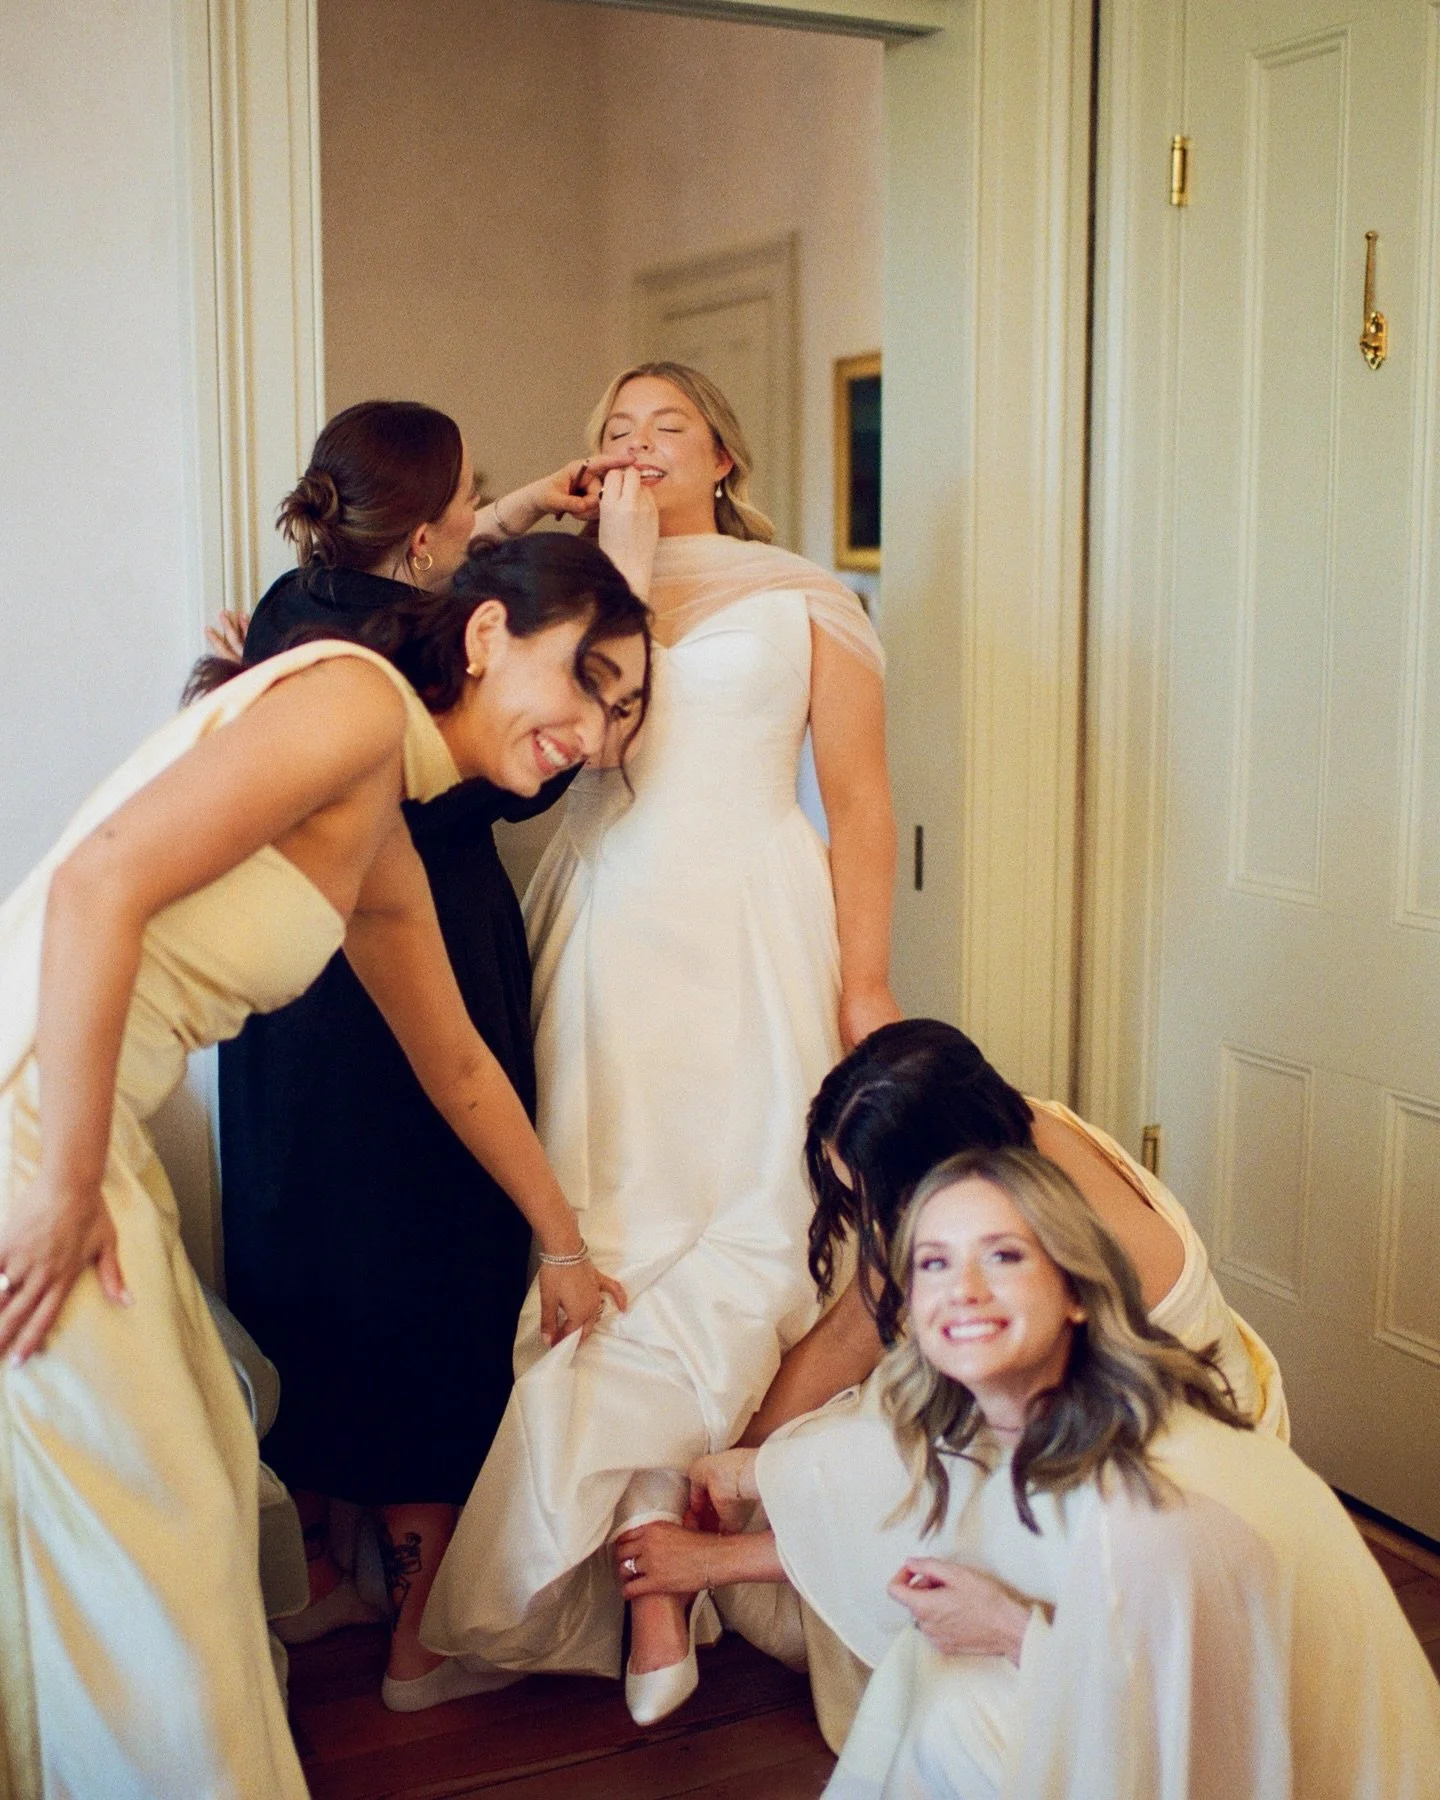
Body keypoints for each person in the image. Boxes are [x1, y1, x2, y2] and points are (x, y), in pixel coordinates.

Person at [0, 537, 645, 1795]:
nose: (595, 732)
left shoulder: (378, 828)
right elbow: (92, 887)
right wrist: (66, 1183)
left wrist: (564, 1243)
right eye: (587, 680)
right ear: (486, 635)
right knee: (161, 1530)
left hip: (77, 1126)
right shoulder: (352, 701)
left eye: (621, 713)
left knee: (158, 1511)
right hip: (37, 1126)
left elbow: (458, 1066)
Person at [423, 361, 900, 1724]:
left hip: (756, 933)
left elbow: (862, 801)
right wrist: (606, 572)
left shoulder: (806, 598)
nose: (639, 444)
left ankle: (694, 1547)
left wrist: (865, 982)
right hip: (613, 928)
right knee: (617, 1230)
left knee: (756, 1215)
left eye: (667, 425)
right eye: (616, 430)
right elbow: (557, 739)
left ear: (723, 456)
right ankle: (644, 1560)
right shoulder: (560, 589)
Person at [211, 401, 643, 1707]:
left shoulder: (295, 613)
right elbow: (517, 769)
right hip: (410, 977)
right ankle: (422, 1633)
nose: (478, 517)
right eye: (465, 501)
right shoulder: (404, 697)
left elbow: (406, 601)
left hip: (294, 1011)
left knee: (314, 1260)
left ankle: (325, 1577)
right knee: (429, 1267)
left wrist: (504, 518)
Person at [609, 1018, 1287, 1750]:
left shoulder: (1058, 1251)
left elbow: (977, 1484)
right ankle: (706, 1530)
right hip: (1034, 1409)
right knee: (805, 1429)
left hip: (1138, 1472)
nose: (871, 1219)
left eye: (878, 1199)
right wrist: (738, 1454)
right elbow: (854, 1327)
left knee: (856, 1457)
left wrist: (729, 1541)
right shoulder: (998, 1135)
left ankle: (700, 1566)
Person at [711, 1150, 1440, 1798]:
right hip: (1200, 1731)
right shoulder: (1042, 1423)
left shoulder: (1153, 1502)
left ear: (1076, 1290)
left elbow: (1209, 1749)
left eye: (1004, 1256)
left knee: (956, 1707)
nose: (963, 1288)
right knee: (935, 1669)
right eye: (933, 1262)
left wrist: (1008, 1629)